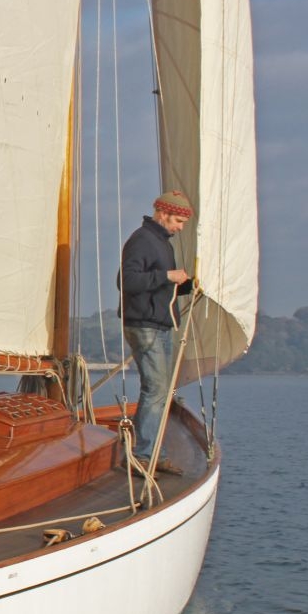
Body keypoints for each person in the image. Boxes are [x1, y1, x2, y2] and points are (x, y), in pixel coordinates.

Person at [120, 189, 194, 474]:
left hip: (160, 325)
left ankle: (152, 452)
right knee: (156, 389)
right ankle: (142, 454)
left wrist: (186, 285)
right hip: (144, 325)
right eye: (177, 221)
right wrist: (167, 276)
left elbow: (160, 284)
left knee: (161, 391)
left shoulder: (163, 243)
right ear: (162, 213)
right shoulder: (142, 240)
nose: (179, 228)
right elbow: (126, 280)